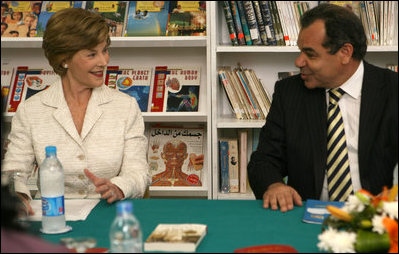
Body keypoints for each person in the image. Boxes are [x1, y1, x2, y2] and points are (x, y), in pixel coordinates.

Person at [248, 4, 398, 212]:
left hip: (377, 219)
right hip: (305, 215)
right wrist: (274, 185)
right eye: (300, 51)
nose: (299, 61)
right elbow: (264, 159)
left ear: (345, 53)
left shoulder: (392, 90)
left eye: (310, 54)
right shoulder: (289, 92)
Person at [2, 8, 150, 216]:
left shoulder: (125, 106)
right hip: (52, 217)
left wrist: (119, 186)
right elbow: (13, 171)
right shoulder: (31, 110)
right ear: (64, 59)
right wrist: (17, 197)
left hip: (111, 216)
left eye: (105, 50)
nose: (104, 61)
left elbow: (138, 172)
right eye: (92, 54)